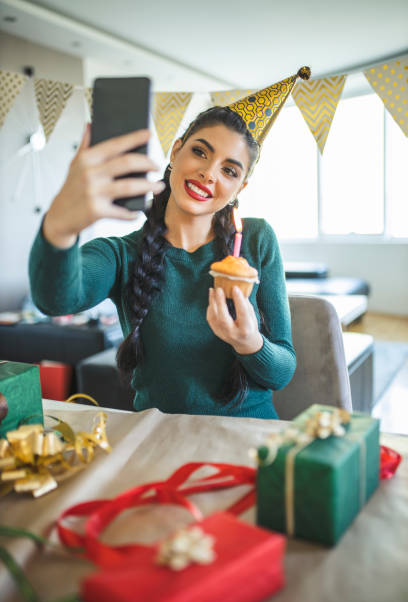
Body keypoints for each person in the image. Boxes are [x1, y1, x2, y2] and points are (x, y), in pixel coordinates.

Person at [29, 68, 311, 418]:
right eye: (200, 152)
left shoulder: (257, 239)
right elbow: (55, 301)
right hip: (158, 438)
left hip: (248, 437)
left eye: (230, 170)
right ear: (176, 152)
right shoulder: (121, 255)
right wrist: (60, 225)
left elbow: (281, 373)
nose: (210, 173)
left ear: (240, 189)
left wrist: (248, 341)